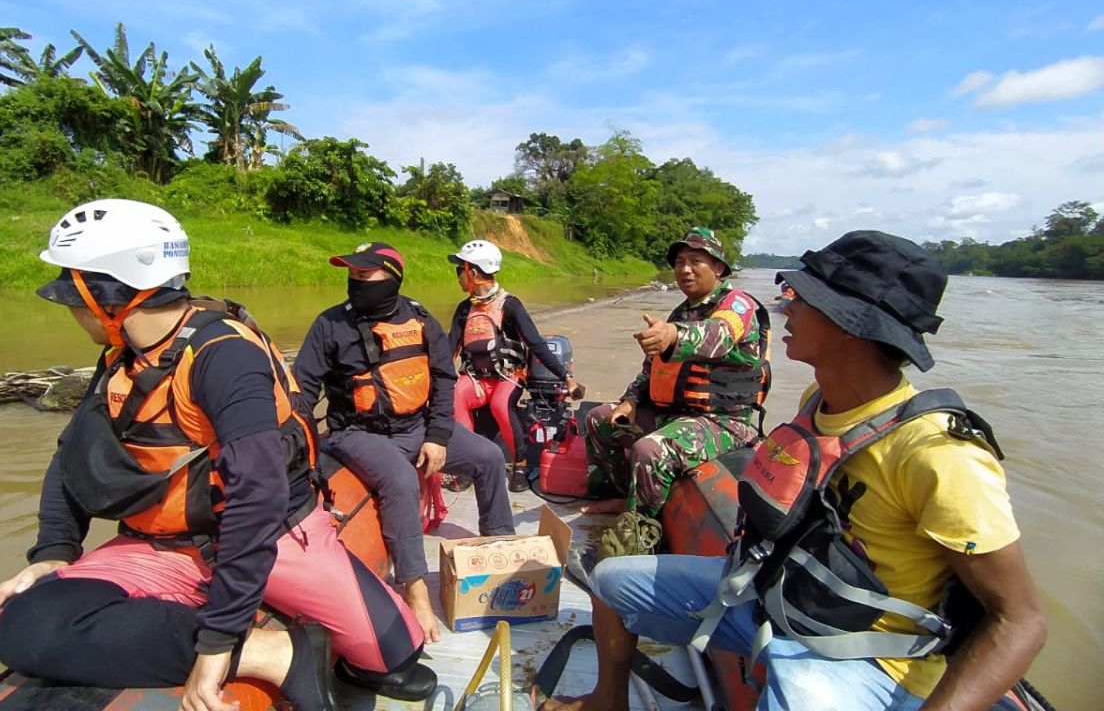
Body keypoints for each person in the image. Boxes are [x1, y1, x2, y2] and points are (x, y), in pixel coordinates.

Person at [542, 230, 1046, 711]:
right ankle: (607, 700)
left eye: (802, 298)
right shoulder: (818, 401)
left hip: (867, 655)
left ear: (851, 325)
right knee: (608, 579)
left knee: (793, 673)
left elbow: (1020, 619)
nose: (785, 305)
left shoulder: (940, 454)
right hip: (776, 590)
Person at [0, 199, 436, 711]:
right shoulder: (121, 358)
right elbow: (72, 457)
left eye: (72, 294)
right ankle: (267, 652)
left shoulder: (223, 355)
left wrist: (216, 642)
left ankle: (259, 637)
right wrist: (53, 554)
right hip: (162, 545)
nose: (71, 309)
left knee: (394, 661)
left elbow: (258, 496)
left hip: (273, 536)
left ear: (104, 294)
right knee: (21, 624)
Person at [292, 241, 516, 644]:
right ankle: (414, 587)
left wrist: (437, 436)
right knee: (399, 479)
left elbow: (444, 379)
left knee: (488, 456)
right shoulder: (329, 325)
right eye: (352, 275)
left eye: (366, 275)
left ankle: (498, 552)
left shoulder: (420, 318)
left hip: (416, 425)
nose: (356, 282)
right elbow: (302, 393)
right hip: (356, 433)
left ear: (391, 279)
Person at [582, 226, 769, 530]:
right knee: (599, 419)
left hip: (721, 421)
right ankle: (622, 497)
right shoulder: (681, 312)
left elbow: (717, 336)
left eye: (695, 261)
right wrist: (630, 401)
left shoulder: (738, 305)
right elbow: (651, 369)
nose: (685, 269)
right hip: (674, 414)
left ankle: (640, 531)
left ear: (719, 267)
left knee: (651, 450)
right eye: (680, 262)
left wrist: (672, 334)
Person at [447, 239, 579, 492]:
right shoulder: (464, 309)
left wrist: (566, 378)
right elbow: (448, 349)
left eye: (459, 270)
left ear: (472, 273)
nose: (458, 277)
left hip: (509, 377)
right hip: (476, 379)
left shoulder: (510, 306)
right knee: (454, 395)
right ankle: (467, 463)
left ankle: (520, 463)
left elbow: (536, 344)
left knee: (500, 404)